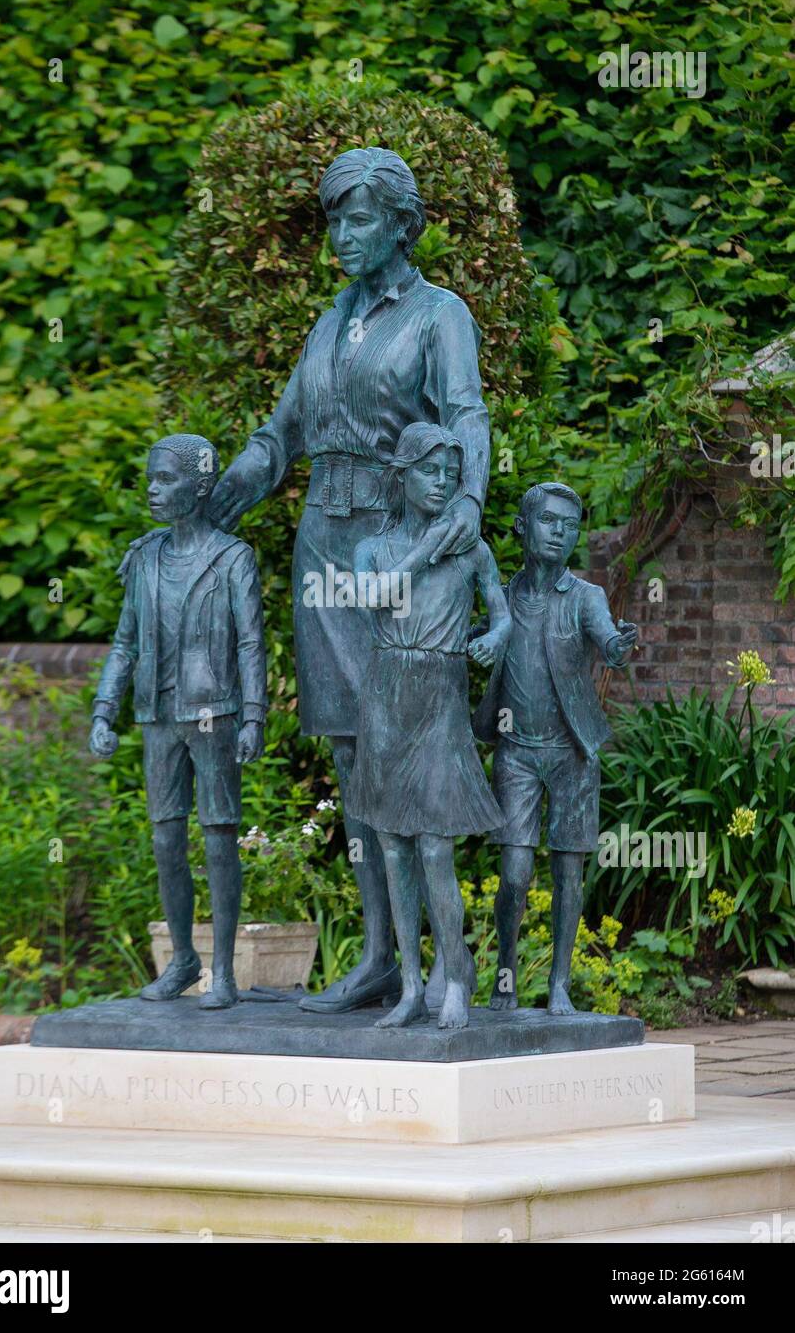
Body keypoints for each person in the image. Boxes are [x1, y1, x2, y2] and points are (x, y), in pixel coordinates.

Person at [208, 147, 492, 1014]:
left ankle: (441, 970)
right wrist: (226, 491)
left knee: (401, 749)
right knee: (347, 750)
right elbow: (281, 430)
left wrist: (469, 499)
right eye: (333, 219)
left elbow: (466, 412)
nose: (340, 235)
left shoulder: (440, 315)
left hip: (392, 543)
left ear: (401, 224)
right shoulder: (329, 323)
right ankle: (378, 958)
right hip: (322, 544)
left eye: (357, 218)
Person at [88, 433, 266, 1009]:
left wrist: (255, 716)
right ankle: (183, 960)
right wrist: (103, 710)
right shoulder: (144, 558)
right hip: (158, 715)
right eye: (150, 481)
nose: (154, 491)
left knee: (218, 837)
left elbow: (251, 644)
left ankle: (223, 968)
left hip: (214, 712)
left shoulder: (233, 558)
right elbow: (124, 644)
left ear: (202, 484)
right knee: (167, 839)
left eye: (166, 481)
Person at [347, 424, 510, 1030]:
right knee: (392, 846)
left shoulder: (473, 548)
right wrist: (426, 548)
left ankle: (455, 977)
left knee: (437, 848)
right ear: (403, 477)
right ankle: (411, 988)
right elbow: (373, 600)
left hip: (439, 692)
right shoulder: (372, 548)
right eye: (429, 472)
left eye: (450, 472)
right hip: (387, 694)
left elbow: (502, 614)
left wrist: (493, 637)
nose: (442, 483)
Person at [472, 482, 637, 1014]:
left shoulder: (587, 597)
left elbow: (607, 639)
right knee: (515, 874)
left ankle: (560, 983)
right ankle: (505, 974)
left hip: (572, 752)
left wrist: (617, 646)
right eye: (549, 520)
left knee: (569, 870)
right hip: (516, 750)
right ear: (523, 526)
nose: (559, 532)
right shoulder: (503, 595)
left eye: (570, 525)